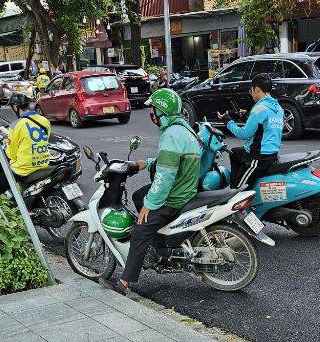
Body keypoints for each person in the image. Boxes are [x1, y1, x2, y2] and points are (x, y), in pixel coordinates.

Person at [115, 88, 201, 295]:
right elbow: (170, 163)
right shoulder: (184, 130)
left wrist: (150, 205)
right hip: (186, 188)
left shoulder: (171, 135)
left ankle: (125, 282)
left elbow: (165, 178)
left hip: (174, 196)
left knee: (140, 229)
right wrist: (146, 164)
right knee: (137, 195)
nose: (151, 115)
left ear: (161, 112)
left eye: (152, 110)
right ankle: (159, 241)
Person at [217, 73, 283, 188]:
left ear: (257, 89)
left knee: (238, 190)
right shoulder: (278, 107)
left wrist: (227, 121)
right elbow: (263, 128)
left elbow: (244, 134)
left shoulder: (259, 108)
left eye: (251, 90)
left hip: (259, 157)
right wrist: (245, 117)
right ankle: (235, 180)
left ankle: (236, 187)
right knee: (235, 153)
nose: (251, 93)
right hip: (271, 153)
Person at [0, 93, 51, 197]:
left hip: (23, 169)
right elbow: (44, 139)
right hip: (43, 164)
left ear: (15, 107)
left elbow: (11, 154)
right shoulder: (45, 121)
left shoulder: (16, 125)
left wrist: (7, 141)